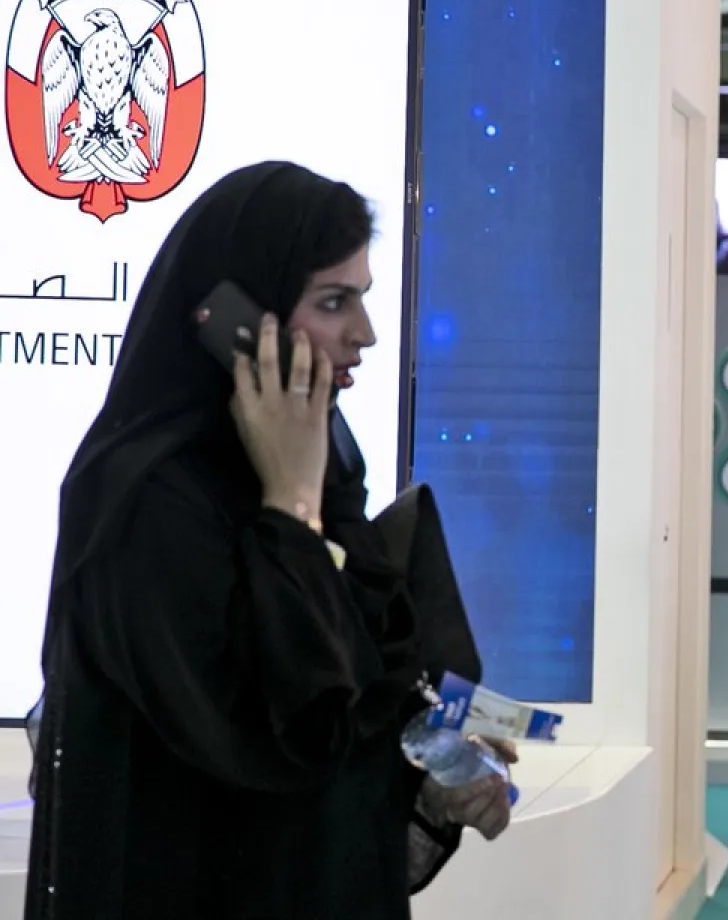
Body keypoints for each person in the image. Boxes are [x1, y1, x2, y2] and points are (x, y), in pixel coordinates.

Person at [25, 162, 514, 920]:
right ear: (232, 319)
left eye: (362, 299)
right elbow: (278, 735)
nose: (365, 334)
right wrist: (288, 504)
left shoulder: (324, 478)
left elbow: (354, 706)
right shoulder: (146, 505)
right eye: (332, 301)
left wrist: (434, 774)